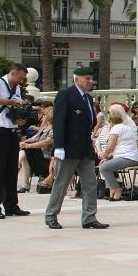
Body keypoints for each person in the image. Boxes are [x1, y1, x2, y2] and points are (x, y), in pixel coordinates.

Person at [45, 67, 108, 230]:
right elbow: (58, 122)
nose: (90, 81)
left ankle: (89, 217)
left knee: (90, 183)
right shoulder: (65, 95)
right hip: (68, 148)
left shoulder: (88, 98)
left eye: (91, 78)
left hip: (85, 147)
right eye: (87, 78)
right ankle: (51, 215)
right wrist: (58, 146)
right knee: (61, 183)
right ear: (77, 79)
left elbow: (91, 121)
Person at [0, 63, 32, 219]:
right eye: (20, 78)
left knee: (12, 170)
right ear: (13, 73)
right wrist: (10, 102)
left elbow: (17, 107)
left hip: (12, 131)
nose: (21, 81)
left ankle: (11, 206)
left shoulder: (17, 88)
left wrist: (21, 114)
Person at [97, 104, 138, 201]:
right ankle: (112, 190)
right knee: (106, 165)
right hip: (128, 156)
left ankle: (117, 189)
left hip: (128, 157)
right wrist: (106, 158)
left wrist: (104, 156)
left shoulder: (117, 128)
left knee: (103, 167)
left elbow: (109, 147)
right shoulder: (123, 126)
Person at [18, 106, 54, 193]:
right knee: (23, 155)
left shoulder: (54, 129)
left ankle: (21, 178)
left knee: (26, 152)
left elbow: (47, 142)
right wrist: (23, 143)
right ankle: (25, 185)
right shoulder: (44, 129)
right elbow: (34, 138)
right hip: (39, 154)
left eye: (44, 115)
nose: (42, 117)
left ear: (49, 116)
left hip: (47, 156)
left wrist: (28, 146)